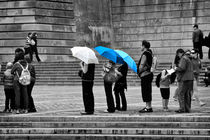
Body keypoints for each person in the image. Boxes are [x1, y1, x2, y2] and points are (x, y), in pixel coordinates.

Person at [137, 40, 154, 113]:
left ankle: (148, 107)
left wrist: (138, 71)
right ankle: (149, 106)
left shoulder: (145, 54)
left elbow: (142, 65)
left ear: (144, 46)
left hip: (145, 74)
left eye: (141, 45)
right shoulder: (150, 53)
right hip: (149, 74)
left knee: (145, 91)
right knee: (148, 90)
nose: (140, 47)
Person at [11, 48, 29, 114]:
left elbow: (12, 71)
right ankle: (26, 109)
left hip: (17, 80)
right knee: (25, 94)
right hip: (25, 80)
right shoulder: (27, 64)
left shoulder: (17, 64)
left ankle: (17, 109)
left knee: (17, 95)